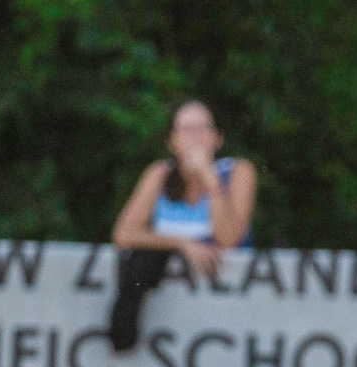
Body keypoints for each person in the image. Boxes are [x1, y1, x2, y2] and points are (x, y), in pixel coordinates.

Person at [108, 99, 257, 351]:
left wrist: (210, 180)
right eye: (187, 130)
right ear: (172, 141)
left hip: (228, 309)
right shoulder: (159, 174)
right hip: (171, 320)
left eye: (203, 129)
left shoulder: (238, 172)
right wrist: (184, 244)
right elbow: (124, 233)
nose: (195, 138)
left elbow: (230, 240)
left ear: (217, 138)